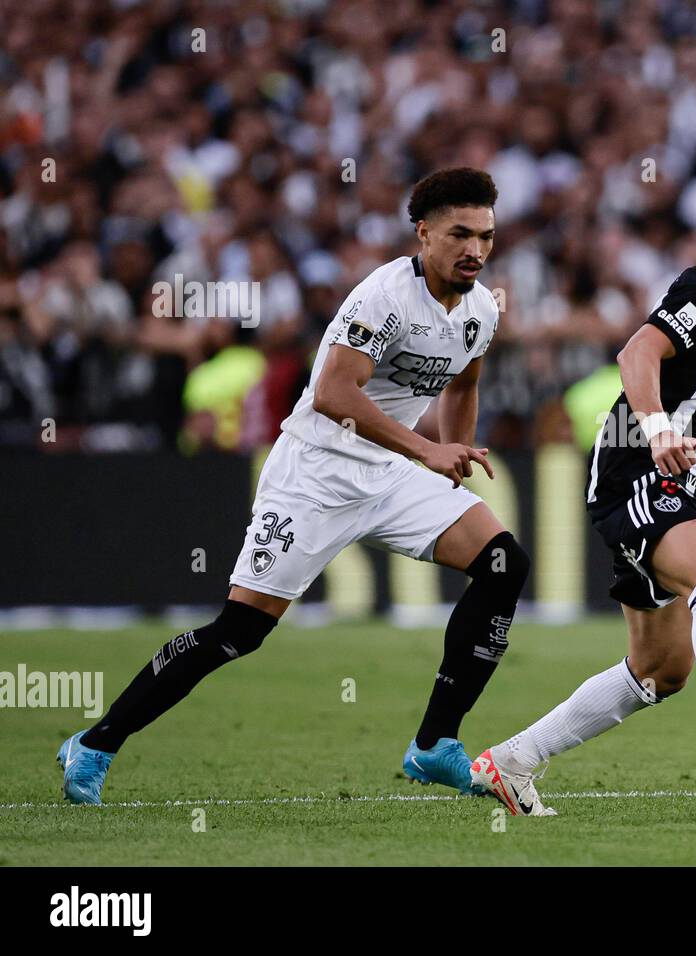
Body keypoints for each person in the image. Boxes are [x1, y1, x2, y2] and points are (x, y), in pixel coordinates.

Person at [58, 168, 527, 804]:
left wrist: (457, 451)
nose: (475, 250)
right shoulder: (383, 297)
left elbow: (464, 383)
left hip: (392, 471)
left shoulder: (479, 311)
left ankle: (434, 745)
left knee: (503, 563)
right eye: (460, 234)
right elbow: (334, 392)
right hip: (317, 470)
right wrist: (425, 447)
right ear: (424, 233)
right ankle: (95, 744)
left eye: (487, 237)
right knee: (237, 632)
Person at [470, 169, 696, 815]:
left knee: (661, 671)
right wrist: (660, 430)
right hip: (637, 469)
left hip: (677, 481)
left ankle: (512, 762)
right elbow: (638, 351)